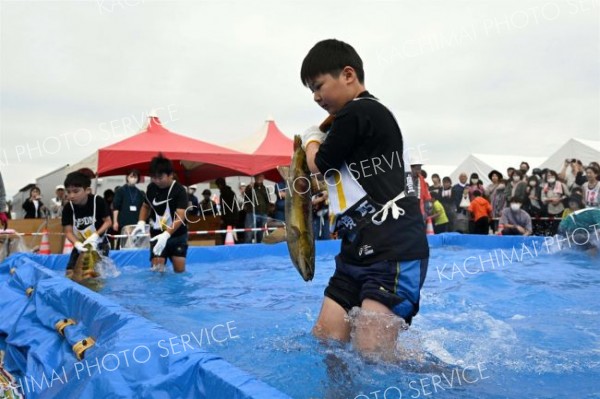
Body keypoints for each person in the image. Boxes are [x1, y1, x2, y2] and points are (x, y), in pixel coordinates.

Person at [299, 39, 429, 359]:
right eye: (311, 91)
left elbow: (320, 164)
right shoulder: (357, 123)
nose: (316, 97)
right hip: (355, 252)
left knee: (372, 353)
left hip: (393, 250)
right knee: (327, 341)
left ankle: (451, 380)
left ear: (348, 75)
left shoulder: (360, 110)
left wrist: (311, 140)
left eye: (319, 86)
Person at [132, 154, 189, 273]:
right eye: (154, 177)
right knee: (157, 272)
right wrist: (141, 222)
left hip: (177, 235)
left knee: (179, 271)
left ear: (170, 175)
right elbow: (145, 206)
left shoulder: (179, 190)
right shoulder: (151, 188)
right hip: (157, 234)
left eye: (160, 177)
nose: (157, 181)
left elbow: (181, 216)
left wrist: (167, 234)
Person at [62, 172, 112, 278]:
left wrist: (95, 236)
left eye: (76, 191)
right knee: (69, 272)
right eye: (69, 192)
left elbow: (108, 222)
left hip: (99, 243)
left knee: (91, 273)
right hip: (81, 243)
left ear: (87, 190)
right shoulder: (68, 208)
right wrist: (76, 244)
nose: (71, 195)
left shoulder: (98, 201)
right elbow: (68, 231)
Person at [112, 169, 144, 244]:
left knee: (135, 243)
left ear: (138, 178)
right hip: (123, 222)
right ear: (127, 177)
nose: (133, 178)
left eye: (135, 176)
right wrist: (115, 222)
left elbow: (142, 208)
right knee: (122, 243)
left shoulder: (140, 193)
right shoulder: (121, 191)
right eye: (131, 176)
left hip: (135, 221)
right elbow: (116, 207)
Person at [243, 174, 271, 243]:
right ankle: (247, 249)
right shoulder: (249, 188)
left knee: (261, 234)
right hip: (251, 213)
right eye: (257, 176)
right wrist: (249, 189)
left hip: (263, 213)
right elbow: (246, 199)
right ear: (255, 178)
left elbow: (268, 201)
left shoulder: (265, 189)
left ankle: (259, 249)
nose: (259, 178)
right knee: (249, 234)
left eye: (261, 176)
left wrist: (267, 212)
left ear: (263, 178)